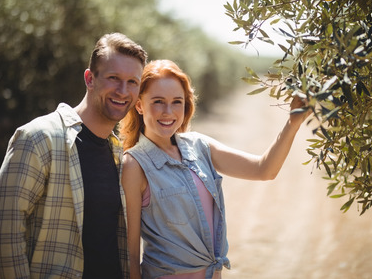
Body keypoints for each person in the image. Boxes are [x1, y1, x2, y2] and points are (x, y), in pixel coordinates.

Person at [120, 59, 310, 279]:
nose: (168, 111)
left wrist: (293, 123)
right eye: (158, 101)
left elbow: (264, 169)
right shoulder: (134, 164)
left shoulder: (199, 146)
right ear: (139, 104)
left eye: (177, 102)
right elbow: (130, 256)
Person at [0, 32, 148, 278]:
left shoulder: (118, 151)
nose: (122, 90)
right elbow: (5, 230)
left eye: (132, 82)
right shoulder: (39, 137)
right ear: (90, 78)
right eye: (113, 78)